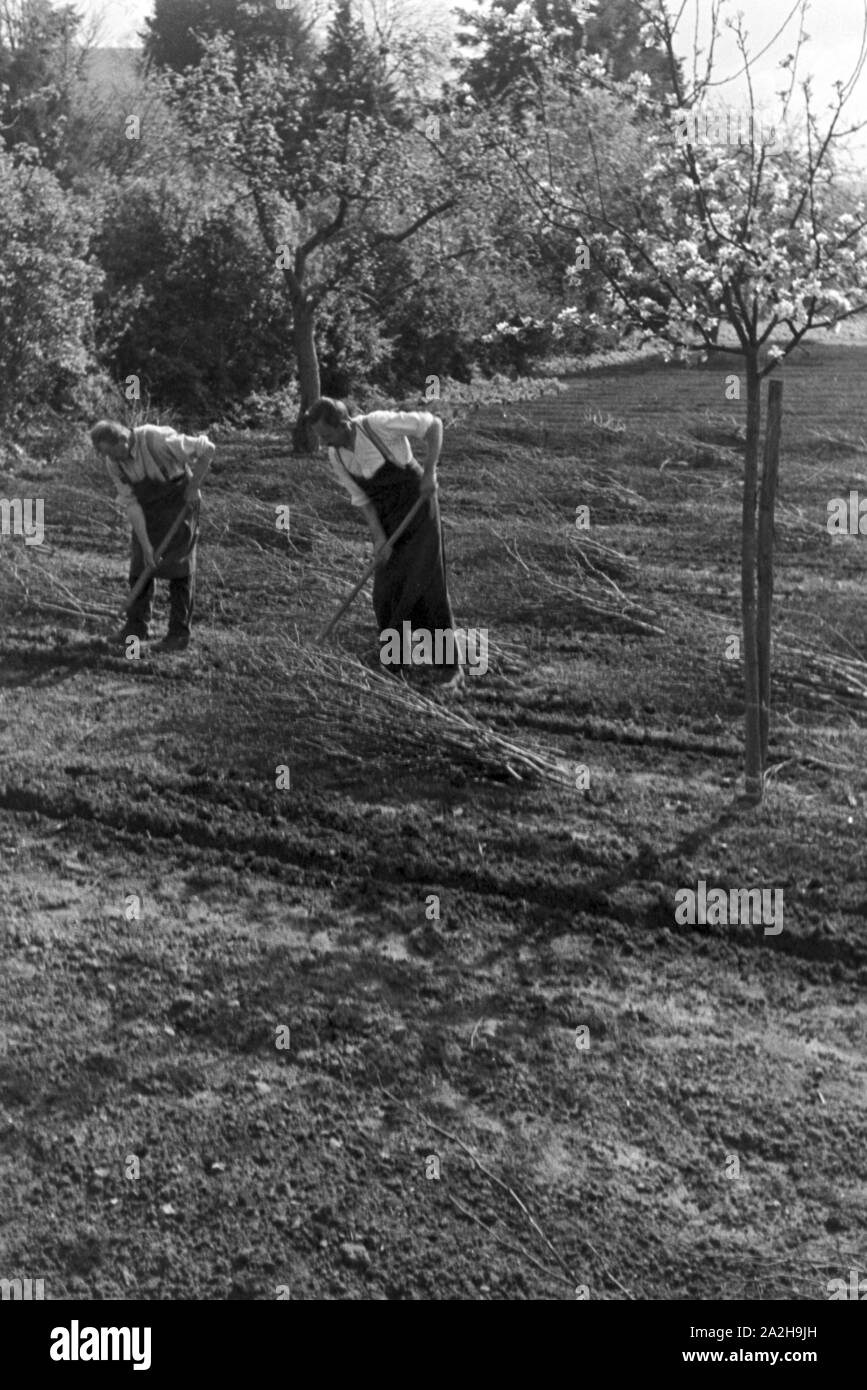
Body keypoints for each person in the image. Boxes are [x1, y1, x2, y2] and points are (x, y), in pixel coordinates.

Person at [306, 397, 462, 684]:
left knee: (425, 582)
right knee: (385, 592)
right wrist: (380, 540)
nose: (326, 443)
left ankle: (448, 668)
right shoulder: (336, 455)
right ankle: (395, 663)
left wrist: (430, 473)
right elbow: (364, 501)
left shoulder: (377, 424)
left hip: (418, 505)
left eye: (328, 436)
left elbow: (434, 425)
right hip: (387, 517)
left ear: (345, 424)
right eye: (321, 438)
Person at [90, 419, 214, 653]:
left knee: (180, 571)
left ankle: (178, 635)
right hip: (148, 512)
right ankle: (135, 629)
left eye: (111, 451)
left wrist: (194, 486)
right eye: (105, 453)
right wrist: (146, 546)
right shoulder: (114, 463)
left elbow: (208, 448)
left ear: (123, 440)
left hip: (180, 505)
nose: (111, 458)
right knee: (139, 567)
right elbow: (132, 504)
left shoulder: (155, 439)